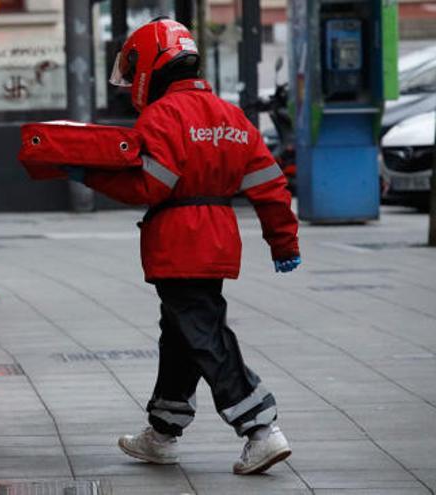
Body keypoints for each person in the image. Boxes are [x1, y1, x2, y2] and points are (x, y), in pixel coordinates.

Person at [62, 17, 301, 475]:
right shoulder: (231, 116)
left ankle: (260, 428)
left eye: (134, 70)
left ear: (151, 63)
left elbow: (153, 183)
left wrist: (89, 175)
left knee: (203, 333)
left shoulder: (163, 115)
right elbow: (269, 184)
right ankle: (164, 431)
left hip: (178, 239)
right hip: (218, 237)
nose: (132, 82)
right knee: (181, 333)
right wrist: (282, 241)